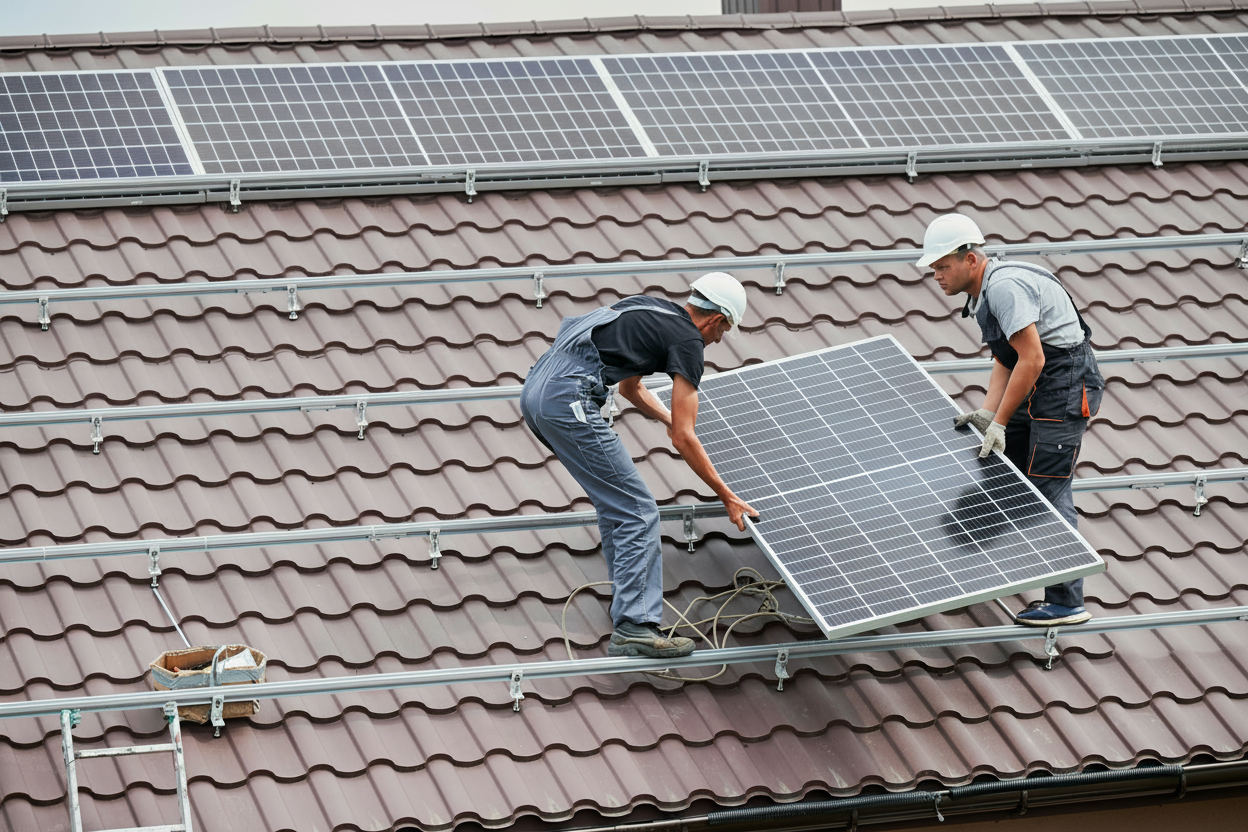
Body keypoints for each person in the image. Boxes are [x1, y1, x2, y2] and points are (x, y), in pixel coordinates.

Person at [520, 273, 759, 659]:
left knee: (617, 503)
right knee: (639, 509)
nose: (719, 340)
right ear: (715, 320)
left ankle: (628, 605)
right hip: (569, 398)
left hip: (537, 391)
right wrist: (727, 496)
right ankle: (636, 625)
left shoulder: (650, 308)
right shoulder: (689, 340)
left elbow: (631, 389)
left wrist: (667, 419)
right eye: (725, 330)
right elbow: (684, 437)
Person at [916, 213, 1105, 626]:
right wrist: (989, 412)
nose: (937, 276)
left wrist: (1001, 421)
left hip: (1064, 383)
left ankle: (1067, 601)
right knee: (1002, 466)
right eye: (933, 269)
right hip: (1037, 377)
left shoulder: (1003, 288)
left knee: (1047, 492)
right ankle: (997, 561)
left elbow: (1033, 357)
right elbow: (1006, 355)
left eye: (943, 266)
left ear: (971, 259)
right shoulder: (980, 293)